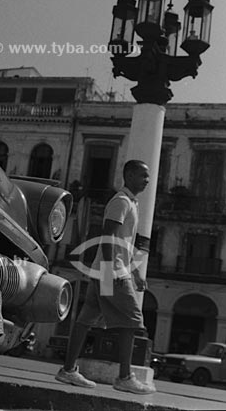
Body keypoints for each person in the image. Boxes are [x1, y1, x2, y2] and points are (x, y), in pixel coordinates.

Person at [55, 160, 155, 394]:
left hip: (108, 271)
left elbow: (123, 244)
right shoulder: (121, 202)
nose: (147, 181)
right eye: (143, 176)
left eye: (148, 177)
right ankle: (124, 377)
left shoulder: (131, 203)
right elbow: (107, 236)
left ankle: (68, 370)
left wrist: (136, 273)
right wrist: (113, 270)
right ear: (129, 176)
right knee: (132, 319)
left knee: (87, 317)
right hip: (110, 272)